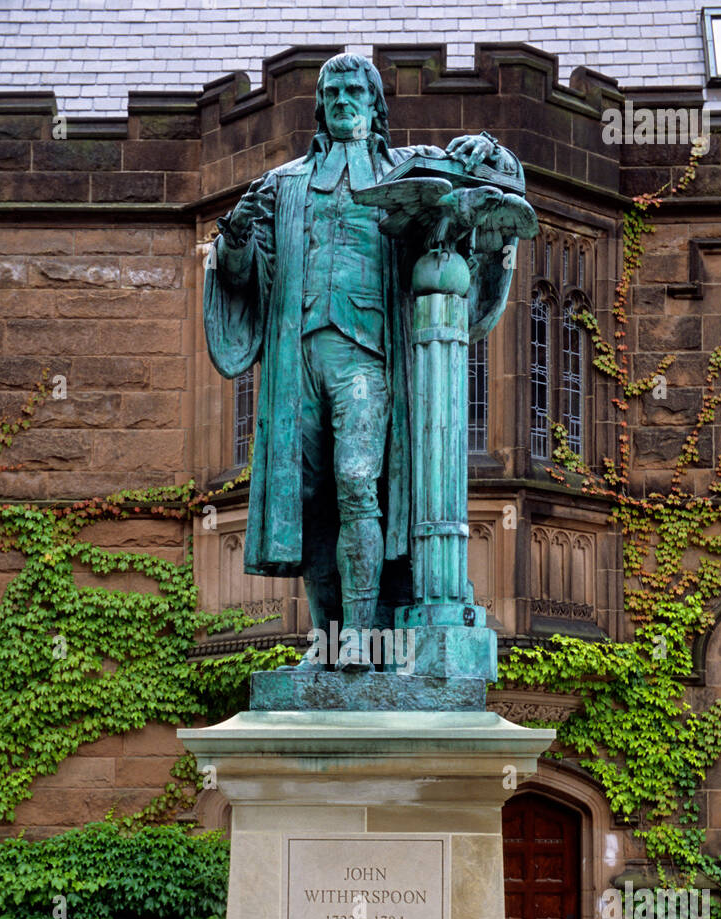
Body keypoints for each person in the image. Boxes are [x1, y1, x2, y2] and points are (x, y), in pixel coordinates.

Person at [204, 52, 518, 665]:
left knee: (355, 482)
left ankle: (361, 635)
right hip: (296, 363)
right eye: (333, 93)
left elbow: (488, 187)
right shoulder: (283, 184)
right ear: (321, 106)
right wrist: (234, 238)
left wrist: (489, 154)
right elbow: (242, 276)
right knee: (307, 501)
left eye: (355, 91)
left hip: (367, 358)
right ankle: (327, 641)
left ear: (375, 103)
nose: (343, 100)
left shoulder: (407, 171)